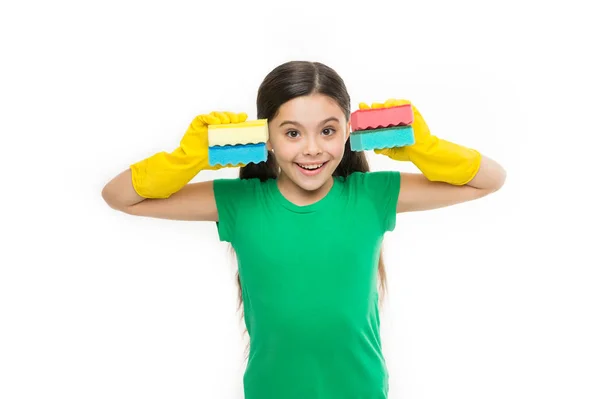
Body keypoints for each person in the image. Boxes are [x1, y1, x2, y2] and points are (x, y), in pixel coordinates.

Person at [101, 60, 506, 399]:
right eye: (293, 133)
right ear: (267, 138)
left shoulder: (370, 196)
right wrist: (185, 159)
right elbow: (120, 196)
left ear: (349, 131)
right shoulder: (241, 202)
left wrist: (425, 147)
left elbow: (489, 180)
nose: (312, 148)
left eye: (327, 131)